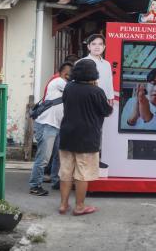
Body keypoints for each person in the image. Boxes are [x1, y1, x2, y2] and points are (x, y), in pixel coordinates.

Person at [58, 59, 113, 216]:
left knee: (66, 171)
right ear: (93, 73)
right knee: (83, 173)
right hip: (87, 136)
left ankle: (63, 205)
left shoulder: (69, 87)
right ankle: (79, 206)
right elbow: (106, 111)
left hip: (67, 134)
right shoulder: (96, 91)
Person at [28, 62, 72, 196]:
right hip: (47, 125)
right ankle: (35, 185)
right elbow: (73, 90)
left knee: (58, 156)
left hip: (57, 126)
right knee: (43, 158)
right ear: (66, 74)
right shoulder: (59, 81)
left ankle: (55, 180)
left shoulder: (63, 83)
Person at [83, 34, 114, 168]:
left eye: (100, 44)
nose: (97, 47)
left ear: (104, 47)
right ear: (88, 46)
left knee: (98, 130)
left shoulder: (106, 64)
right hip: (86, 101)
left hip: (101, 102)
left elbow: (109, 82)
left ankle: (95, 158)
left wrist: (110, 97)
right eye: (94, 44)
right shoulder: (82, 62)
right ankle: (85, 159)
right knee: (86, 129)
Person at [120, 66, 156, 132]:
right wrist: (133, 118)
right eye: (154, 83)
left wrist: (149, 118)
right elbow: (121, 132)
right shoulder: (132, 102)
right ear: (147, 85)